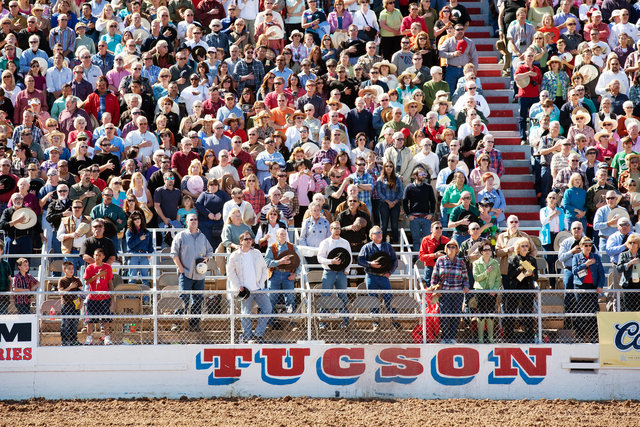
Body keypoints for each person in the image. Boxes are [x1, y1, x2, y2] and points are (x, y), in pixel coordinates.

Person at [170, 213, 214, 333]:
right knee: (183, 298)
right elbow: (174, 254)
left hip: (200, 274)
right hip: (186, 273)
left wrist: (206, 258)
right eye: (191, 219)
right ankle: (177, 323)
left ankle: (194, 324)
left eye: (195, 219)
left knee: (198, 300)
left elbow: (210, 251)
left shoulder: (202, 237)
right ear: (187, 222)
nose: (194, 221)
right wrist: (181, 269)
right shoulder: (181, 236)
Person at [227, 230, 272, 343]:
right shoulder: (234, 255)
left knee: (267, 309)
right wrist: (238, 286)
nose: (249, 241)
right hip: (245, 290)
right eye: (246, 239)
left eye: (250, 239)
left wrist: (261, 284)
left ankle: (258, 334)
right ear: (241, 241)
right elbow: (231, 273)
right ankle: (247, 336)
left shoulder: (256, 252)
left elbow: (264, 268)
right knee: (245, 313)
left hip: (258, 288)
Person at [357, 226, 399, 330]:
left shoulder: (387, 246)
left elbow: (395, 261)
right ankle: (376, 323)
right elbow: (360, 260)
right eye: (377, 233)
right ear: (371, 236)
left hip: (384, 276)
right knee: (373, 299)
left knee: (389, 298)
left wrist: (389, 272)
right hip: (371, 276)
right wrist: (370, 264)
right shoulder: (366, 247)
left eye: (380, 232)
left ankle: (395, 321)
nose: (380, 234)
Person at [431, 240, 469, 344]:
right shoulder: (440, 260)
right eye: (449, 247)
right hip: (444, 292)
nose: (451, 249)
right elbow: (434, 276)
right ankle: (444, 337)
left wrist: (466, 286)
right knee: (445, 315)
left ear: (456, 249)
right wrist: (434, 287)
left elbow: (465, 277)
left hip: (457, 292)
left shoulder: (461, 262)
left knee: (456, 315)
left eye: (453, 247)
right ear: (446, 248)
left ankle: (452, 337)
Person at [317, 221, 352, 327]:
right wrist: (331, 261)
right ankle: (323, 323)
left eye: (339, 228)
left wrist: (347, 269)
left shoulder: (345, 242)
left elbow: (349, 257)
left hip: (341, 273)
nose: (337, 230)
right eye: (335, 228)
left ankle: (344, 322)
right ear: (330, 229)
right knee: (326, 296)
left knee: (343, 297)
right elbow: (320, 258)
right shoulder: (325, 243)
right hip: (329, 272)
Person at [506, 237, 539, 343]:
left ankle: (529, 336)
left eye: (526, 246)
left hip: (528, 289)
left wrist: (531, 274)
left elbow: (536, 277)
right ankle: (509, 336)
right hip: (515, 288)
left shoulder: (532, 260)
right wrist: (522, 269)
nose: (525, 248)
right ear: (518, 248)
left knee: (528, 312)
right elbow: (510, 275)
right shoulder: (513, 259)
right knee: (511, 311)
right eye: (523, 246)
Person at [572, 237, 604, 343]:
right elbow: (574, 271)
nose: (588, 247)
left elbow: (601, 274)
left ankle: (594, 336)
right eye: (586, 245)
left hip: (592, 287)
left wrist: (600, 286)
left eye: (590, 245)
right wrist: (585, 264)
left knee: (593, 312)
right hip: (580, 287)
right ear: (581, 246)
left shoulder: (596, 257)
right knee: (581, 312)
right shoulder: (576, 257)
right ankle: (580, 336)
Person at [264, 227, 302, 320]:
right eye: (281, 234)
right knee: (271, 298)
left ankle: (291, 321)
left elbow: (299, 262)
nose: (284, 235)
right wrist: (279, 262)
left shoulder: (292, 247)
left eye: (285, 233)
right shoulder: (271, 247)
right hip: (275, 274)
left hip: (288, 275)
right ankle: (270, 321)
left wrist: (295, 274)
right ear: (276, 236)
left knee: (290, 299)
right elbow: (267, 262)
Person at [472, 240, 501, 344]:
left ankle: (490, 337)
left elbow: (498, 278)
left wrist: (494, 289)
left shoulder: (495, 263)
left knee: (491, 314)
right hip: (480, 290)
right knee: (481, 314)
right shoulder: (476, 263)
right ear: (481, 251)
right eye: (485, 250)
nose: (487, 251)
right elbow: (476, 278)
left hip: (492, 292)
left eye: (489, 249)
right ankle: (480, 338)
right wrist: (486, 272)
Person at [403, 165, 437, 251]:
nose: (424, 175)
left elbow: (433, 201)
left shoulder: (428, 187)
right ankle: (418, 260)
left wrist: (431, 213)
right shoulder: (409, 187)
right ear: (415, 176)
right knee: (416, 240)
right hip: (414, 218)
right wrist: (409, 215)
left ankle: (427, 260)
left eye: (424, 173)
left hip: (426, 217)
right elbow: (404, 202)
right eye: (421, 174)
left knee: (428, 240)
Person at [58, 199, 93, 273]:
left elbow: (93, 234)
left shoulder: (89, 220)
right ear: (72, 208)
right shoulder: (65, 220)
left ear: (82, 208)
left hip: (85, 251)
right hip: (71, 251)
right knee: (70, 276)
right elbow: (59, 236)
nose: (77, 209)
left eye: (79, 207)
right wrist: (70, 235)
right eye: (75, 207)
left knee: (86, 275)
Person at [58, 261, 82, 346]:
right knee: (66, 323)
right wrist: (70, 287)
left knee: (74, 323)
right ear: (64, 270)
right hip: (66, 304)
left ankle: (73, 340)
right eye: (69, 269)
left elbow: (81, 292)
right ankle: (64, 341)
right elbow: (61, 293)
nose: (71, 270)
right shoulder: (62, 280)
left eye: (72, 268)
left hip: (75, 304)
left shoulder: (77, 280)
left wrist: (80, 303)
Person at [125, 212, 153, 286]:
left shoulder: (147, 232)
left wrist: (149, 253)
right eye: (135, 219)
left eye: (138, 218)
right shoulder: (129, 232)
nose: (137, 220)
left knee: (145, 279)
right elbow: (130, 245)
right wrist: (139, 239)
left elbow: (150, 245)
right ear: (132, 221)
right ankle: (132, 297)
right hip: (133, 254)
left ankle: (146, 297)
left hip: (144, 255)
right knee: (132, 278)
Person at [616, 233, 640, 312]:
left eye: (634, 242)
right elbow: (619, 268)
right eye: (630, 243)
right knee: (628, 307)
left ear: (638, 244)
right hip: (628, 283)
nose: (632, 244)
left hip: (639, 282)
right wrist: (629, 263)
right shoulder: (623, 255)